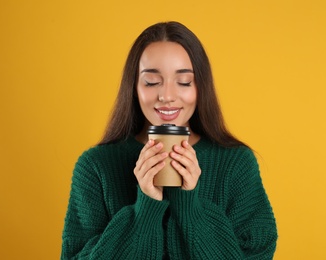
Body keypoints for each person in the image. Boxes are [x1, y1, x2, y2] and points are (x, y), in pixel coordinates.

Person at [61, 21, 277, 259]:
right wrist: (145, 209)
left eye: (184, 82)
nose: (167, 96)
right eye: (151, 82)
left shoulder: (236, 163)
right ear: (134, 87)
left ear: (200, 87)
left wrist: (189, 206)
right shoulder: (96, 166)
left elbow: (257, 252)